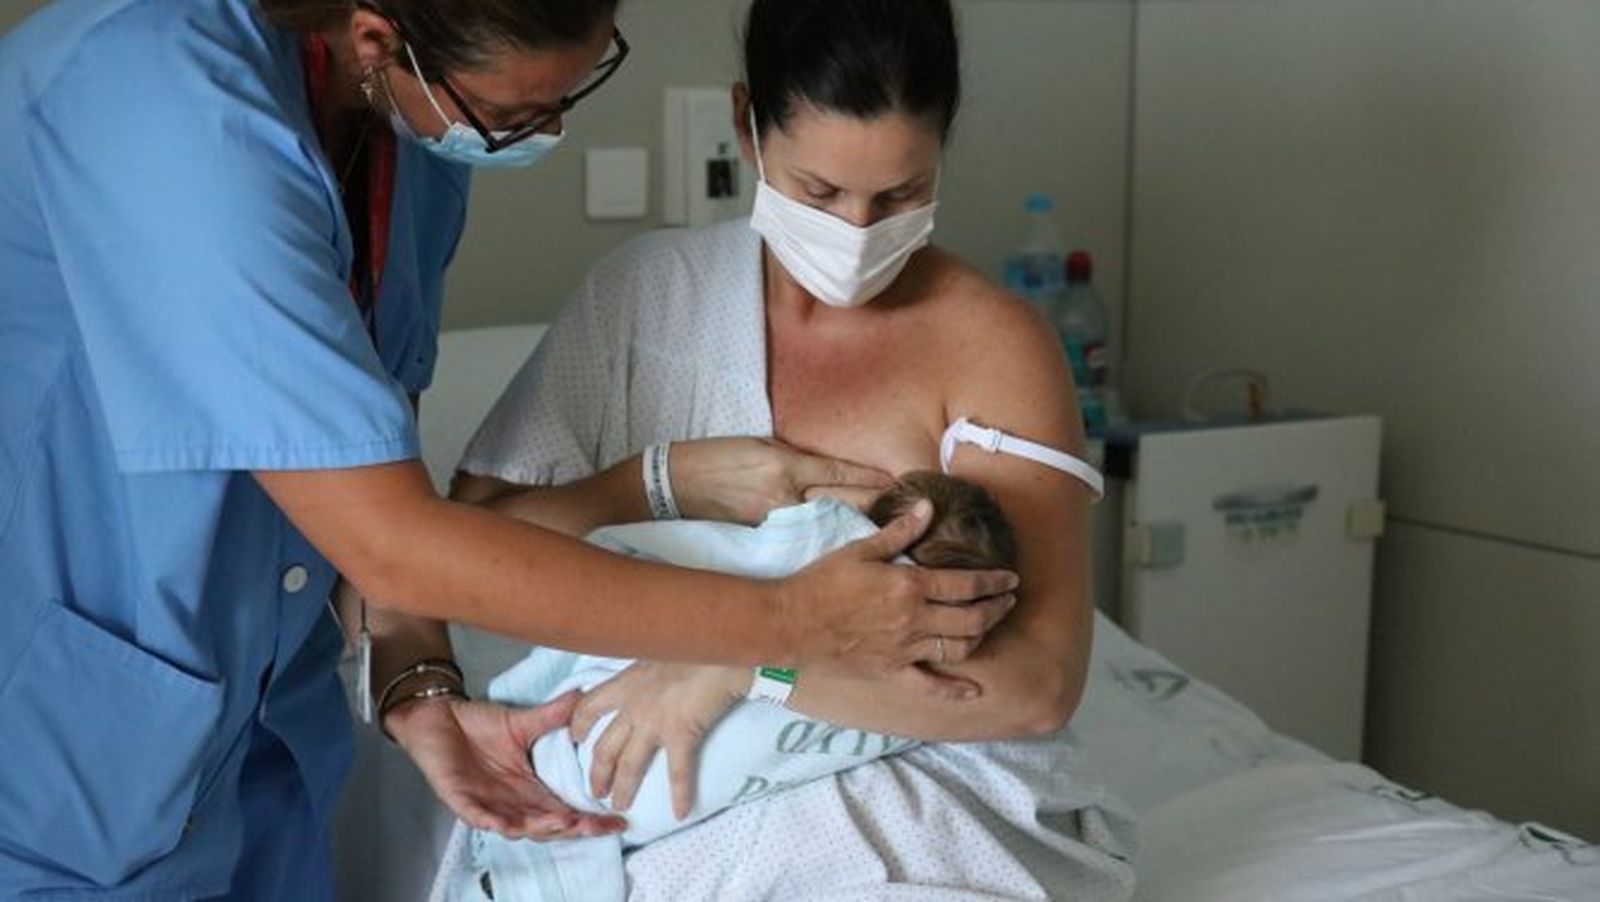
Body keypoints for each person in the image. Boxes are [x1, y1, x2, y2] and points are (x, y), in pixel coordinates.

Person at [0, 0, 1019, 895]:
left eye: (567, 97)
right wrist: (778, 627)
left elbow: (370, 475)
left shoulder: (423, 140)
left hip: (263, 735)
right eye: (519, 116)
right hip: (69, 743)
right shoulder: (160, 103)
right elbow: (410, 538)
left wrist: (417, 684)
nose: (545, 134)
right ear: (376, 37)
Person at [446, 0, 1133, 896]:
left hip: (926, 779)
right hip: (662, 777)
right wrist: (653, 483)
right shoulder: (644, 302)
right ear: (747, 124)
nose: (855, 231)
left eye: (898, 196)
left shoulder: (995, 345)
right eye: (820, 192)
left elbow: (1034, 686)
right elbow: (460, 563)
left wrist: (744, 664)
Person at [439, 470, 1028, 901]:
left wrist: (745, 669)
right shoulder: (807, 554)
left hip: (574, 787)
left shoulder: (817, 556)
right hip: (586, 772)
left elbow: (630, 548)